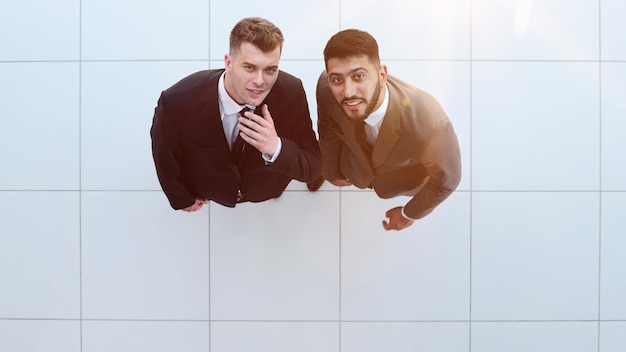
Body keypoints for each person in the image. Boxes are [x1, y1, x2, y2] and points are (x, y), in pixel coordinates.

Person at [151, 17, 321, 212]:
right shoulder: (177, 101)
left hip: (267, 187)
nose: (260, 81)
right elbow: (164, 154)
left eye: (270, 70)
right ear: (229, 62)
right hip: (212, 190)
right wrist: (181, 198)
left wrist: (276, 148)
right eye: (249, 68)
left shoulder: (291, 92)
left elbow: (313, 166)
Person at [313, 29, 461, 231]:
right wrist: (329, 170)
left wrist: (408, 213)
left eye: (359, 76)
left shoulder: (430, 123)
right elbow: (328, 129)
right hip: (354, 166)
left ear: (382, 75)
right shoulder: (325, 87)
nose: (348, 92)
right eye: (337, 79)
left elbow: (446, 180)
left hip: (401, 181)